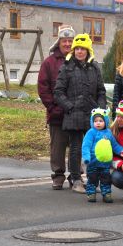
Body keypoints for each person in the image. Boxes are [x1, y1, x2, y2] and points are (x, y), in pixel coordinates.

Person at [54, 33, 107, 194]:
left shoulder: (95, 67)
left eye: (82, 49)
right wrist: (69, 107)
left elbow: (101, 91)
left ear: (88, 50)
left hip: (92, 116)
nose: (79, 52)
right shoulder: (67, 67)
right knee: (76, 148)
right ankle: (76, 179)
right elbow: (58, 92)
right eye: (77, 48)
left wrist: (100, 110)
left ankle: (92, 180)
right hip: (74, 115)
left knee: (93, 148)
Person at [38, 24, 75, 190]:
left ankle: (76, 175)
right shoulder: (49, 62)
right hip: (57, 113)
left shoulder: (80, 60)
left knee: (77, 146)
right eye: (64, 41)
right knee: (57, 147)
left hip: (76, 114)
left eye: (70, 41)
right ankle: (58, 176)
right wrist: (53, 108)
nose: (67, 44)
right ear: (59, 42)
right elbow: (43, 87)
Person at [82, 108, 123, 203]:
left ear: (105, 121)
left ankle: (106, 194)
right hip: (93, 163)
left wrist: (122, 151)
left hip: (105, 164)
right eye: (95, 121)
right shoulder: (91, 133)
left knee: (106, 180)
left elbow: (115, 145)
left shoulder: (108, 133)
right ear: (92, 122)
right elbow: (86, 146)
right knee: (92, 179)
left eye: (101, 121)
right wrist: (86, 157)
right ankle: (91, 193)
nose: (98, 123)